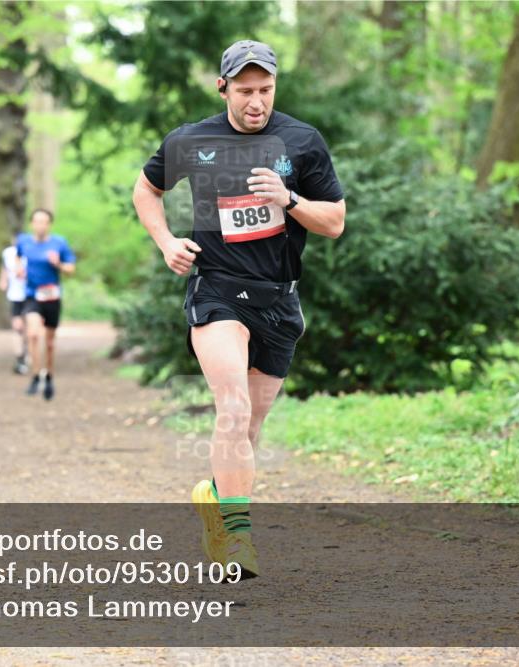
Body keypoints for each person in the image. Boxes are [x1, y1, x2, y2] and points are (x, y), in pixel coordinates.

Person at [132, 40, 345, 578]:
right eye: (246, 90)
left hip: (279, 298)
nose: (257, 101)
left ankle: (214, 497)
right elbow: (145, 189)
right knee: (232, 410)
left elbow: (335, 221)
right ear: (223, 87)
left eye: (266, 90)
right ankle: (238, 544)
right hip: (218, 289)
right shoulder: (191, 140)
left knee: (249, 428)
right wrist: (165, 241)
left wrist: (288, 199)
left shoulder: (302, 142)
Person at [16, 208, 76, 400]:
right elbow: (17, 257)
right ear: (31, 224)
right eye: (37, 221)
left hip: (51, 297)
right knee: (33, 334)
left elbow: (71, 269)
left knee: (49, 342)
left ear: (49, 224)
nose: (40, 225)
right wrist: (18, 268)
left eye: (44, 222)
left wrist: (58, 264)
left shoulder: (59, 243)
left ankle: (48, 375)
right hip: (32, 295)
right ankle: (35, 375)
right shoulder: (23, 241)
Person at [0, 243, 29, 374]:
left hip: (30, 294)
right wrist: (3, 281)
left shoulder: (31, 250)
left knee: (28, 327)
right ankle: (20, 357)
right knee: (17, 326)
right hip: (15, 295)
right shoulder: (8, 253)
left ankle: (27, 352)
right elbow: (4, 268)